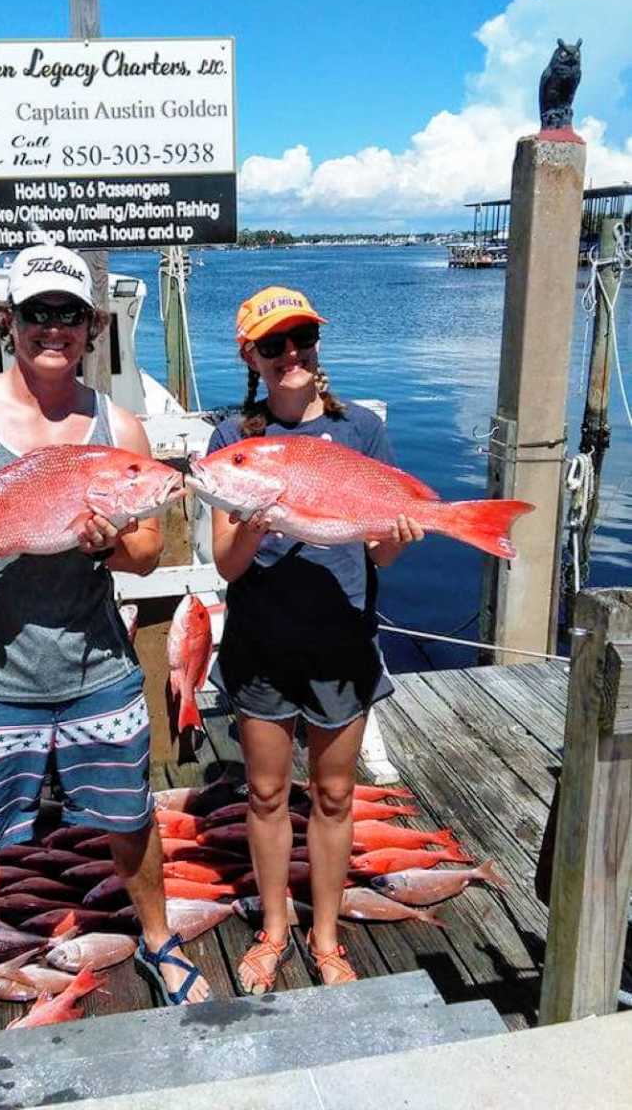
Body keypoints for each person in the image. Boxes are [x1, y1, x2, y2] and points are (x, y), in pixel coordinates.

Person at [0, 243, 210, 1038]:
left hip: (99, 670)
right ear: (8, 321)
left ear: (92, 327)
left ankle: (157, 940)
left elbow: (148, 549)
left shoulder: (120, 425)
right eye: (37, 312)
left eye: (69, 314)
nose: (54, 328)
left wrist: (108, 539)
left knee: (130, 820)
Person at [206, 285, 422, 993]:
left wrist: (398, 534)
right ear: (251, 356)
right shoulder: (234, 441)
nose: (290, 355)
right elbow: (226, 566)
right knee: (266, 794)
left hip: (340, 644)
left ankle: (325, 935)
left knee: (333, 794)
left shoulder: (359, 428)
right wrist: (252, 520)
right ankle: (274, 927)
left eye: (301, 340)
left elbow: (380, 556)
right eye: (273, 345)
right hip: (262, 644)